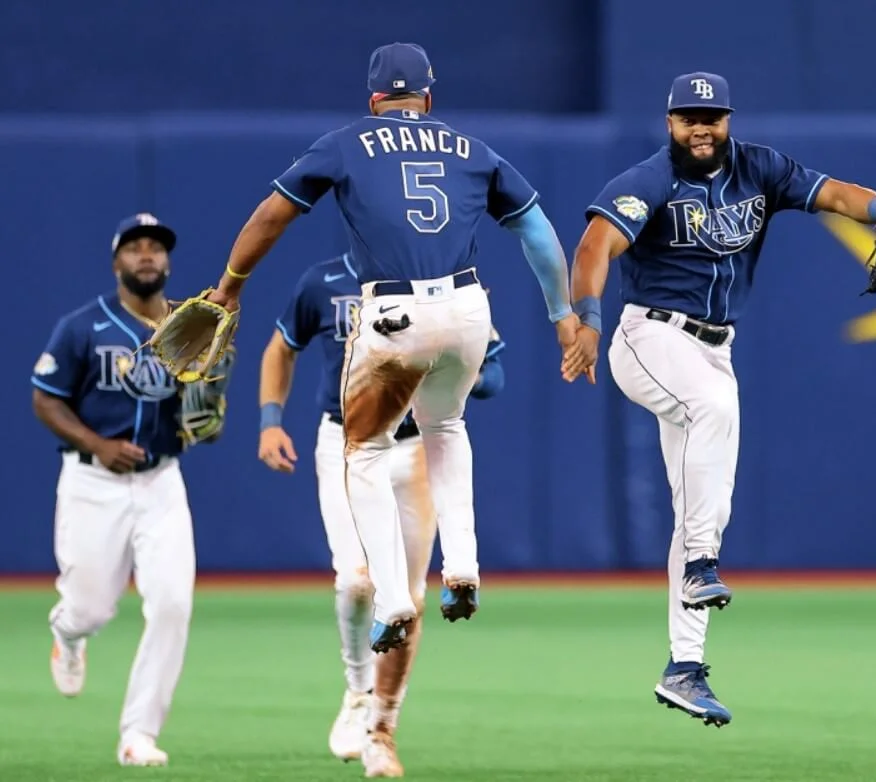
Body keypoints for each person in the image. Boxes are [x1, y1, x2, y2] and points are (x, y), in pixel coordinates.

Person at [563, 72, 876, 727]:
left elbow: (837, 194)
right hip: (649, 336)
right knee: (713, 414)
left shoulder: (759, 168)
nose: (701, 127)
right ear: (668, 122)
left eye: (712, 115)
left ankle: (683, 667)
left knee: (702, 497)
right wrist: (585, 318)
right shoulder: (650, 181)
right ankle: (703, 562)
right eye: (688, 117)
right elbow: (596, 244)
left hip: (712, 348)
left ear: (728, 118)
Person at [203, 41, 580, 653]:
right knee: (447, 427)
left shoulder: (347, 142)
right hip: (467, 308)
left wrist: (231, 285)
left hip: (395, 311)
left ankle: (394, 595)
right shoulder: (471, 148)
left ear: (374, 98)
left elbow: (273, 214)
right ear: (428, 96)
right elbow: (535, 227)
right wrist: (563, 314)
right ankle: (462, 566)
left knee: (364, 451)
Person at [258, 250, 505, 776]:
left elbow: (494, 371)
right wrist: (269, 420)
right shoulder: (322, 279)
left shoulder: (438, 282)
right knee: (355, 581)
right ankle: (356, 690)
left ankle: (382, 731)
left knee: (407, 600)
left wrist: (456, 375)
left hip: (415, 448)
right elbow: (281, 348)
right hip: (347, 442)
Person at [31, 213, 235, 765]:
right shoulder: (82, 327)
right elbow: (45, 397)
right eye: (135, 248)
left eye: (156, 248)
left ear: (167, 262)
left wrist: (207, 409)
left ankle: (138, 734)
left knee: (172, 603)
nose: (146, 256)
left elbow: (206, 412)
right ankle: (68, 633)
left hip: (162, 482)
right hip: (93, 480)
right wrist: (96, 442)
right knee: (90, 609)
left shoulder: (190, 325)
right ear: (116, 261)